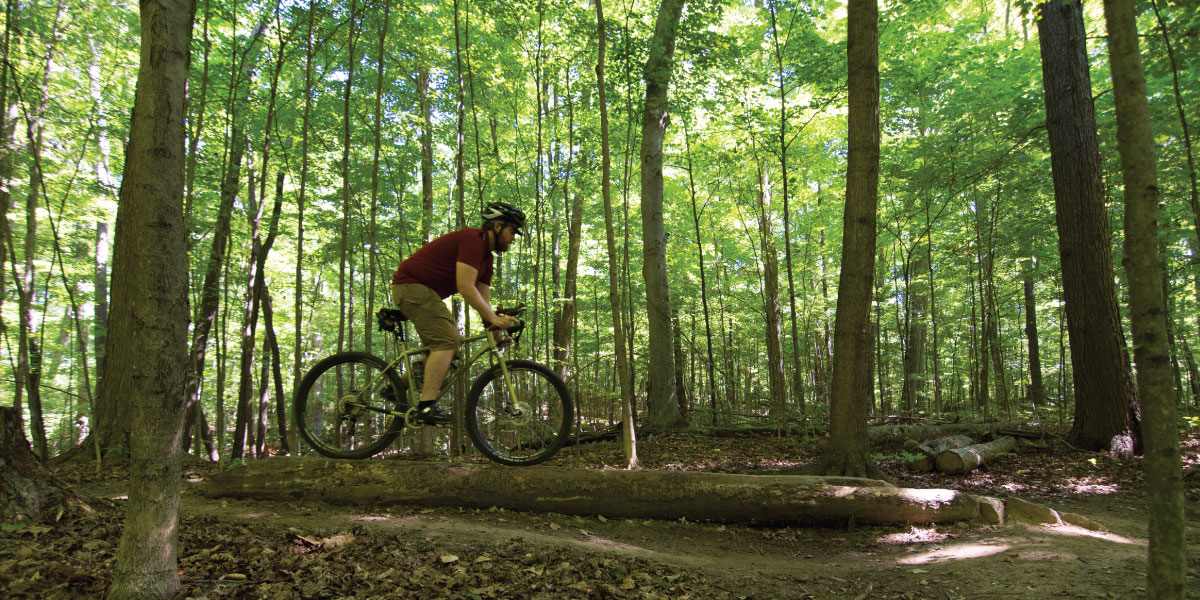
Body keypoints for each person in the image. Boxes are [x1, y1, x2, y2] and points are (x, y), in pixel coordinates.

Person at [390, 202, 525, 423]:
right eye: (512, 231)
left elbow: (483, 299)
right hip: (411, 286)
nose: (514, 237)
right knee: (448, 341)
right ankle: (426, 407)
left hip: (422, 292)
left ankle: (396, 386)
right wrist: (493, 318)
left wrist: (495, 330)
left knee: (449, 352)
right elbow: (465, 286)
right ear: (498, 226)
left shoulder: (486, 259)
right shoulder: (473, 239)